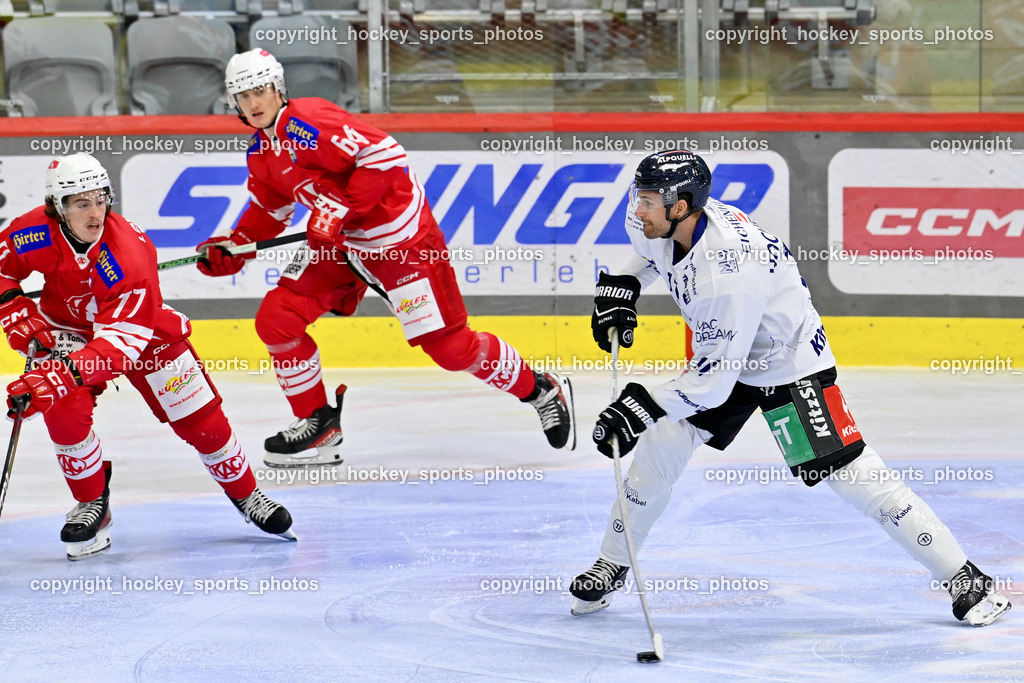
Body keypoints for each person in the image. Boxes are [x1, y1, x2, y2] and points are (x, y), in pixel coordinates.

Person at [570, 150, 1011, 627]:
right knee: (660, 446)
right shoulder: (662, 219)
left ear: (681, 206)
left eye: (649, 201)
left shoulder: (727, 273)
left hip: (787, 364)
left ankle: (964, 576)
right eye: (638, 197)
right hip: (728, 353)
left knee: (852, 476)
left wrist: (638, 408)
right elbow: (650, 253)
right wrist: (624, 284)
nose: (637, 209)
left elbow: (713, 385)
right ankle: (613, 562)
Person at [195, 48, 575, 468]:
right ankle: (319, 424)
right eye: (244, 96)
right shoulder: (261, 152)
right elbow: (270, 210)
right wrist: (237, 245)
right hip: (343, 245)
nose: (253, 103)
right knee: (277, 319)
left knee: (452, 350)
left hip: (400, 243)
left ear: (279, 89)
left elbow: (385, 154)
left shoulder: (307, 121)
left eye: (261, 91)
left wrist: (340, 209)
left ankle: (541, 390)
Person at [0, 153, 295, 561]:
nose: (95, 213)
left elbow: (119, 346)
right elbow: (2, 268)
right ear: (57, 207)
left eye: (101, 199)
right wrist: (14, 309)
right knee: (63, 412)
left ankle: (247, 494)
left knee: (200, 419)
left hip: (140, 332)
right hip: (65, 327)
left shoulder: (129, 253)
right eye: (82, 203)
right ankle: (92, 503)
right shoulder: (32, 231)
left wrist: (56, 377)